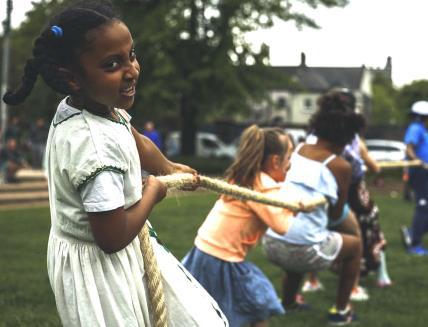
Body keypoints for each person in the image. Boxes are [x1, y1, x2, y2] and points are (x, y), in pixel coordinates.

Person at [2, 1, 228, 326]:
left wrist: (169, 167)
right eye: (112, 64)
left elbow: (139, 142)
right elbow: (111, 236)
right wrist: (154, 190)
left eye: (131, 55)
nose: (132, 70)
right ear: (73, 79)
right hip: (99, 272)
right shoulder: (94, 148)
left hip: (122, 251)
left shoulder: (105, 110)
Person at [262, 90, 363, 325]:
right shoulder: (340, 165)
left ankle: (288, 303)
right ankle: (340, 312)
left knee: (298, 242)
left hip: (270, 241)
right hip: (303, 250)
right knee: (355, 246)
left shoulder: (297, 150)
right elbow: (337, 215)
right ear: (346, 137)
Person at [182, 125, 294, 327]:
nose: (290, 164)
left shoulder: (245, 177)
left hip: (205, 252)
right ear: (276, 161)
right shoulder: (261, 187)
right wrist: (295, 207)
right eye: (289, 158)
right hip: (221, 258)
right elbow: (282, 225)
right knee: (257, 307)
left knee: (221, 310)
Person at [401, 100, 428, 256]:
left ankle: (412, 233)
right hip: (419, 172)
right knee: (423, 207)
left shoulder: (424, 130)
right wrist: (419, 162)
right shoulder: (415, 128)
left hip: (425, 172)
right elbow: (409, 149)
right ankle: (414, 244)